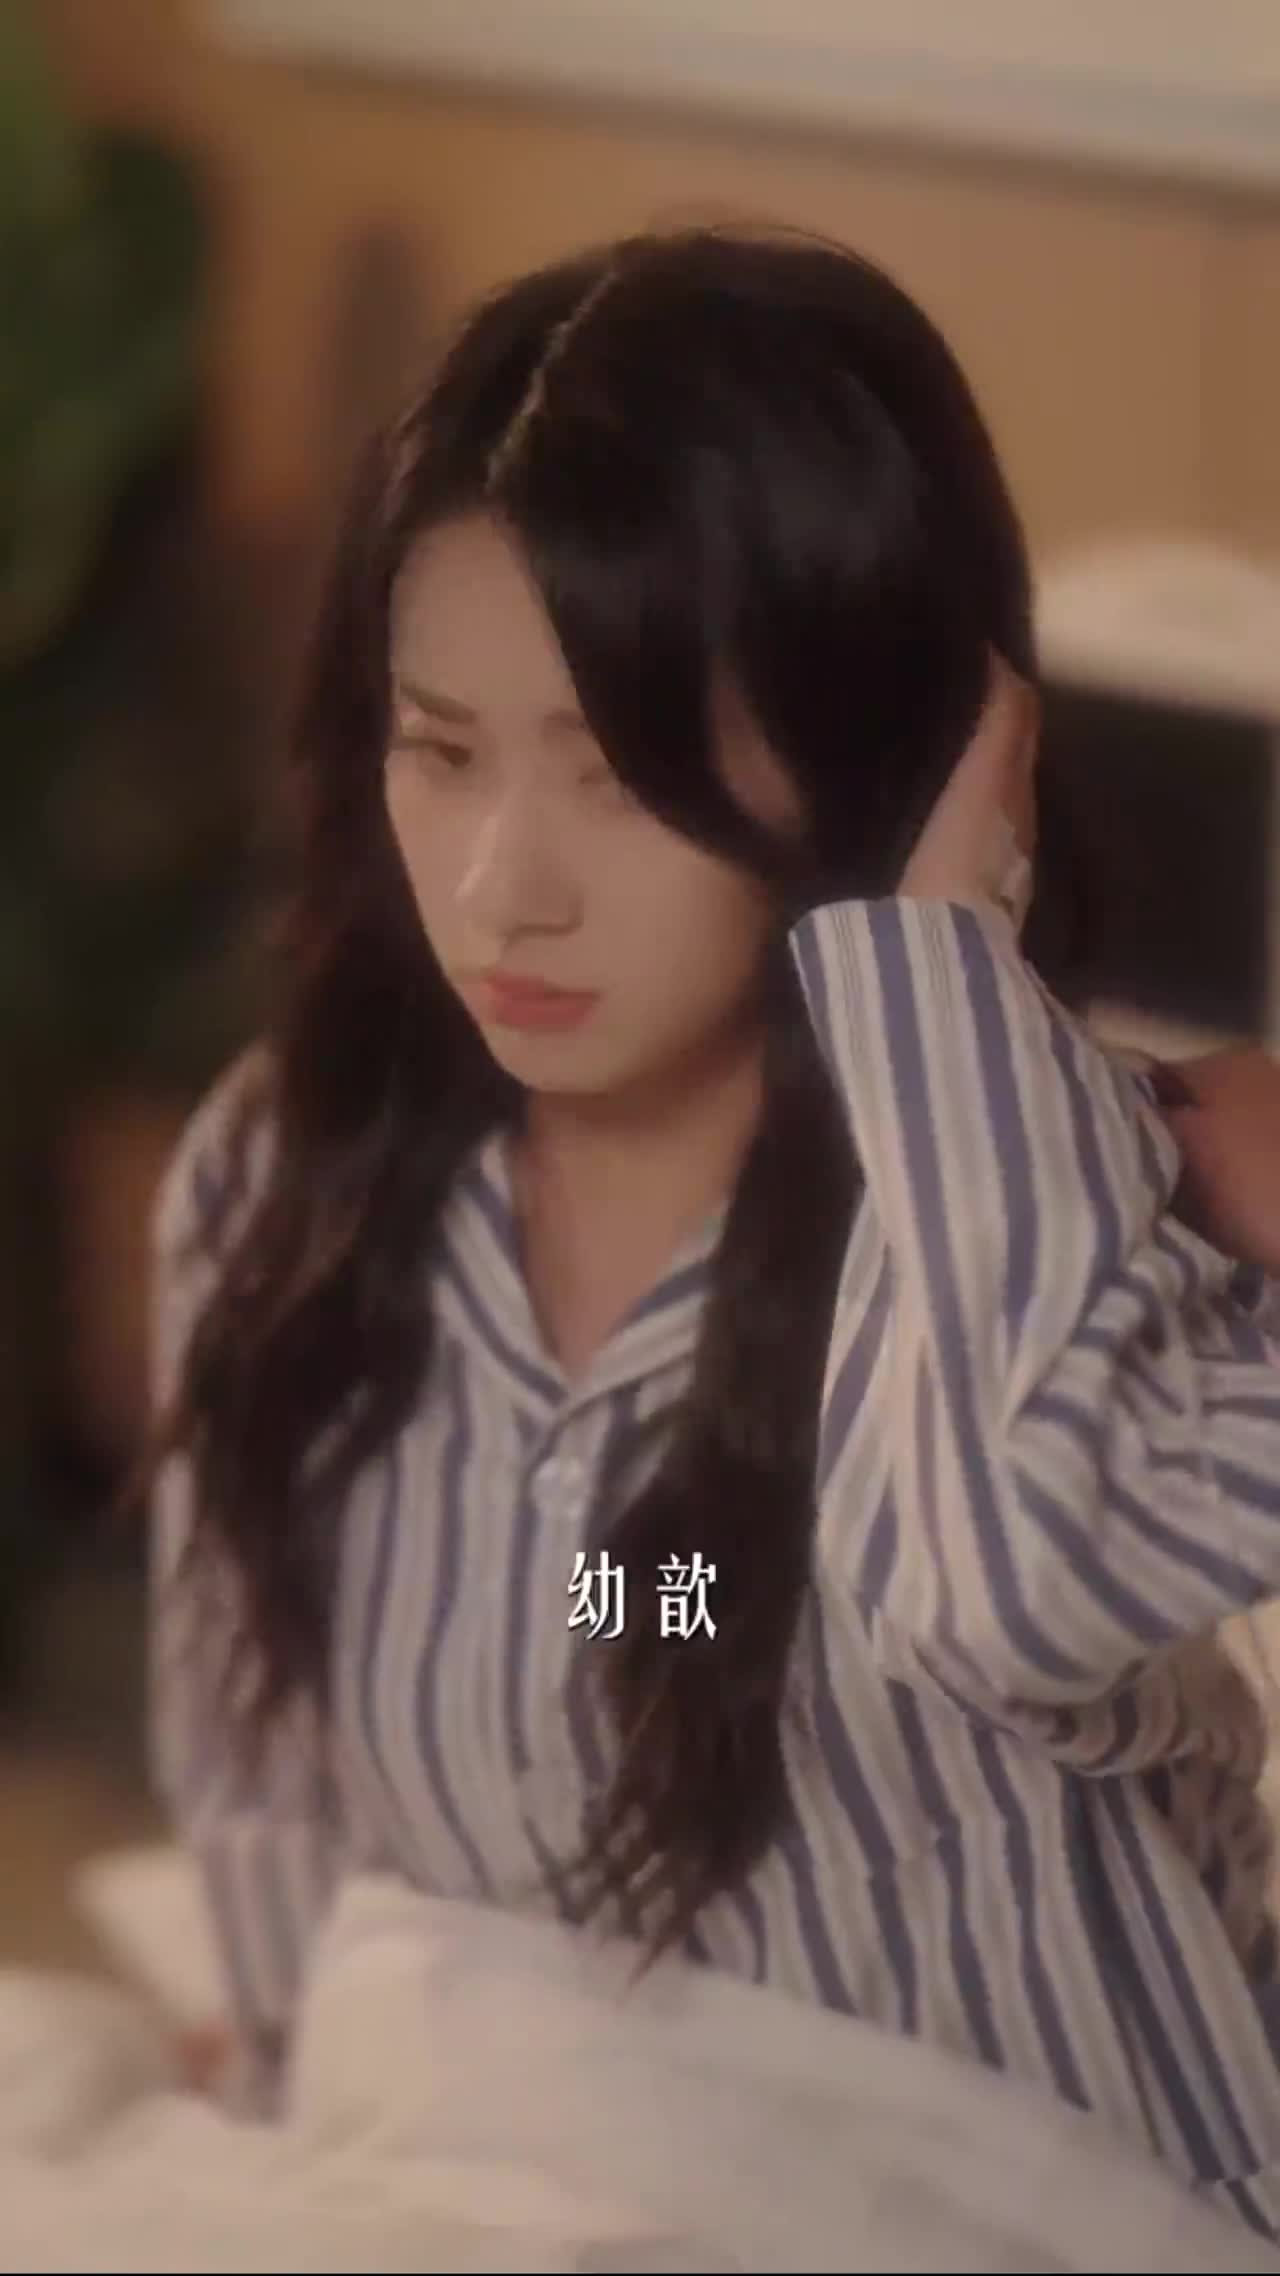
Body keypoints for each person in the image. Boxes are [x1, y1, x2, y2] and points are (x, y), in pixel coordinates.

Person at [142, 227, 1280, 2236]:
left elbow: (1009, 1586)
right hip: (514, 2183)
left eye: (619, 778)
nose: (502, 888)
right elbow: (323, 1730)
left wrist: (938, 943)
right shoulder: (288, 1176)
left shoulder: (1061, 1202)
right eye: (442, 751)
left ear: (873, 763)